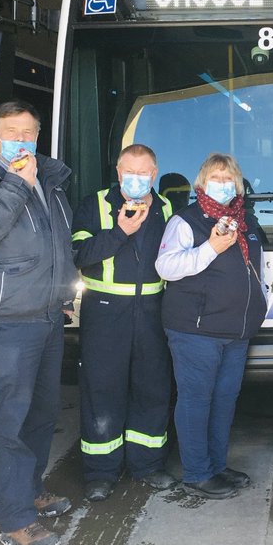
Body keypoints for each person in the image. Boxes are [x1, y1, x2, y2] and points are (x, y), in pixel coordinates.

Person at [0, 100, 78, 545]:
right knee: (8, 419)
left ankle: (30, 490)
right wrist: (14, 184)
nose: (22, 140)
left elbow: (55, 244)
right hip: (8, 322)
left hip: (47, 314)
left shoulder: (49, 177)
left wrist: (62, 297)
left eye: (29, 132)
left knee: (43, 413)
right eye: (12, 131)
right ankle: (16, 518)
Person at [156, 152, 268, 500]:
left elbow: (255, 272)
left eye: (228, 178)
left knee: (224, 400)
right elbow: (166, 267)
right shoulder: (186, 221)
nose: (222, 184)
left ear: (237, 185)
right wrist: (210, 248)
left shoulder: (244, 221)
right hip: (196, 330)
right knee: (196, 400)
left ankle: (217, 466)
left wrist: (259, 304)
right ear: (201, 184)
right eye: (215, 178)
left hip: (235, 331)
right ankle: (197, 473)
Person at [72, 143, 177, 502]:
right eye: (129, 172)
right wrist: (120, 232)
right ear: (118, 173)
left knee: (153, 387)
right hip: (104, 310)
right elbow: (80, 255)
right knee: (102, 390)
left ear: (155, 173)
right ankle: (101, 471)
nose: (137, 178)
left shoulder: (166, 207)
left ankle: (148, 465)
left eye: (144, 172)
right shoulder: (94, 204)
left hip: (153, 310)